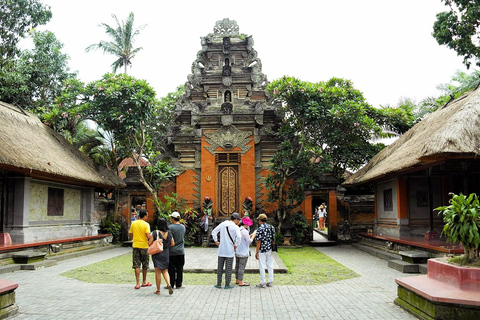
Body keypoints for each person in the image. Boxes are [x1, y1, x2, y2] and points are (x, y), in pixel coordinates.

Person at [211, 212, 242, 289]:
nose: (238, 222)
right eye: (238, 220)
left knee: (220, 268)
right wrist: (236, 245)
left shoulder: (222, 224)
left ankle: (218, 283)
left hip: (221, 249)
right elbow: (239, 237)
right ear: (235, 219)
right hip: (230, 250)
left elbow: (214, 232)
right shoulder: (235, 227)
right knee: (228, 268)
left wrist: (216, 241)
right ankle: (227, 284)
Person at [149, 218, 175, 295]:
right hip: (166, 253)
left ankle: (158, 290)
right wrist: (166, 246)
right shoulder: (169, 233)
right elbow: (173, 243)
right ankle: (169, 284)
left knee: (158, 272)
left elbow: (149, 243)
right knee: (165, 271)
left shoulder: (155, 233)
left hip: (157, 253)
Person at [128, 209, 152, 290]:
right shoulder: (146, 225)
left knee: (136, 264)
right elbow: (148, 236)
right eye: (147, 216)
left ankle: (137, 283)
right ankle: (144, 281)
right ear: (144, 216)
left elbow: (131, 234)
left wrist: (135, 238)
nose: (147, 217)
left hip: (135, 245)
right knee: (145, 265)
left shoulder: (134, 224)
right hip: (144, 246)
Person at [254, 213, 275, 288]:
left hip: (262, 249)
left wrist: (257, 251)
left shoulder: (260, 229)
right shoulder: (271, 227)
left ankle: (263, 282)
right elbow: (273, 239)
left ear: (260, 220)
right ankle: (270, 281)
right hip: (270, 248)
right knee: (270, 265)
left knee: (262, 265)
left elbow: (258, 241)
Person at [168, 211, 186, 289]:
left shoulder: (170, 227)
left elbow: (169, 239)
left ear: (172, 218)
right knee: (180, 268)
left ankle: (171, 284)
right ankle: (179, 284)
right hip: (181, 251)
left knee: (171, 269)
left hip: (172, 251)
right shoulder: (183, 227)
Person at [235, 216, 254, 286]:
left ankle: (237, 279)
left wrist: (250, 236)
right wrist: (253, 236)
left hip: (238, 251)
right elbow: (249, 241)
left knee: (237, 266)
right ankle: (241, 281)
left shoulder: (238, 230)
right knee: (241, 267)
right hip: (243, 252)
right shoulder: (245, 231)